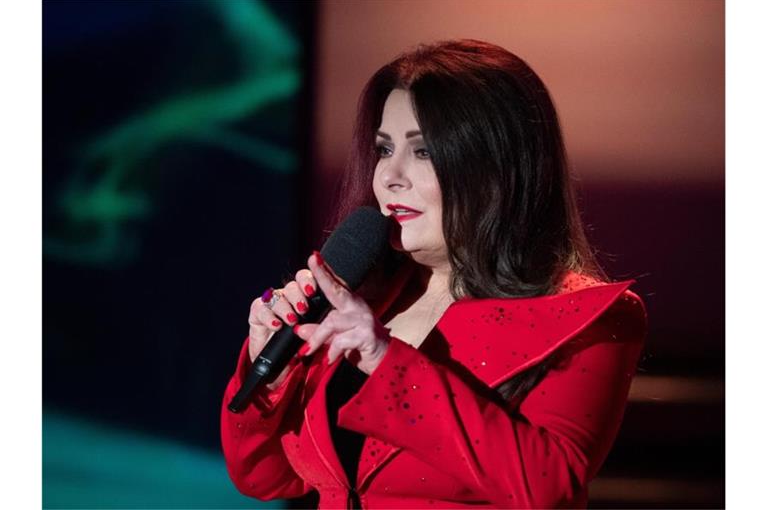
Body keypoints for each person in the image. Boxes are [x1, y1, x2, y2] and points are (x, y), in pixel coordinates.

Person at [220, 39, 647, 509]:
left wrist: (385, 360)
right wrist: (273, 378)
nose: (389, 176)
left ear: (496, 170)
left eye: (422, 152)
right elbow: (264, 478)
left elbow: (547, 488)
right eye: (384, 149)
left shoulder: (588, 317)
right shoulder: (366, 295)